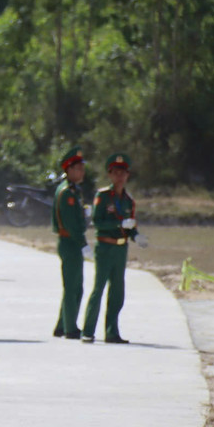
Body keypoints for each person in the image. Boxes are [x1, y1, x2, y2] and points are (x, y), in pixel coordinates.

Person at [82, 153, 136, 344]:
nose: (119, 176)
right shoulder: (103, 196)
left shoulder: (128, 200)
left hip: (121, 249)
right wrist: (119, 224)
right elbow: (97, 222)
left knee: (117, 291)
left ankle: (112, 332)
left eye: (123, 173)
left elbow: (131, 226)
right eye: (115, 173)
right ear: (110, 175)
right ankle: (88, 331)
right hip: (105, 247)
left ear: (127, 175)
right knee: (99, 288)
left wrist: (136, 234)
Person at [51, 147, 90, 339]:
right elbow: (71, 224)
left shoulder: (74, 190)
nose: (82, 172)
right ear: (69, 170)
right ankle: (70, 328)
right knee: (73, 287)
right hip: (69, 242)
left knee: (74, 286)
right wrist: (82, 242)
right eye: (78, 169)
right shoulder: (67, 192)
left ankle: (62, 324)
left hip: (71, 242)